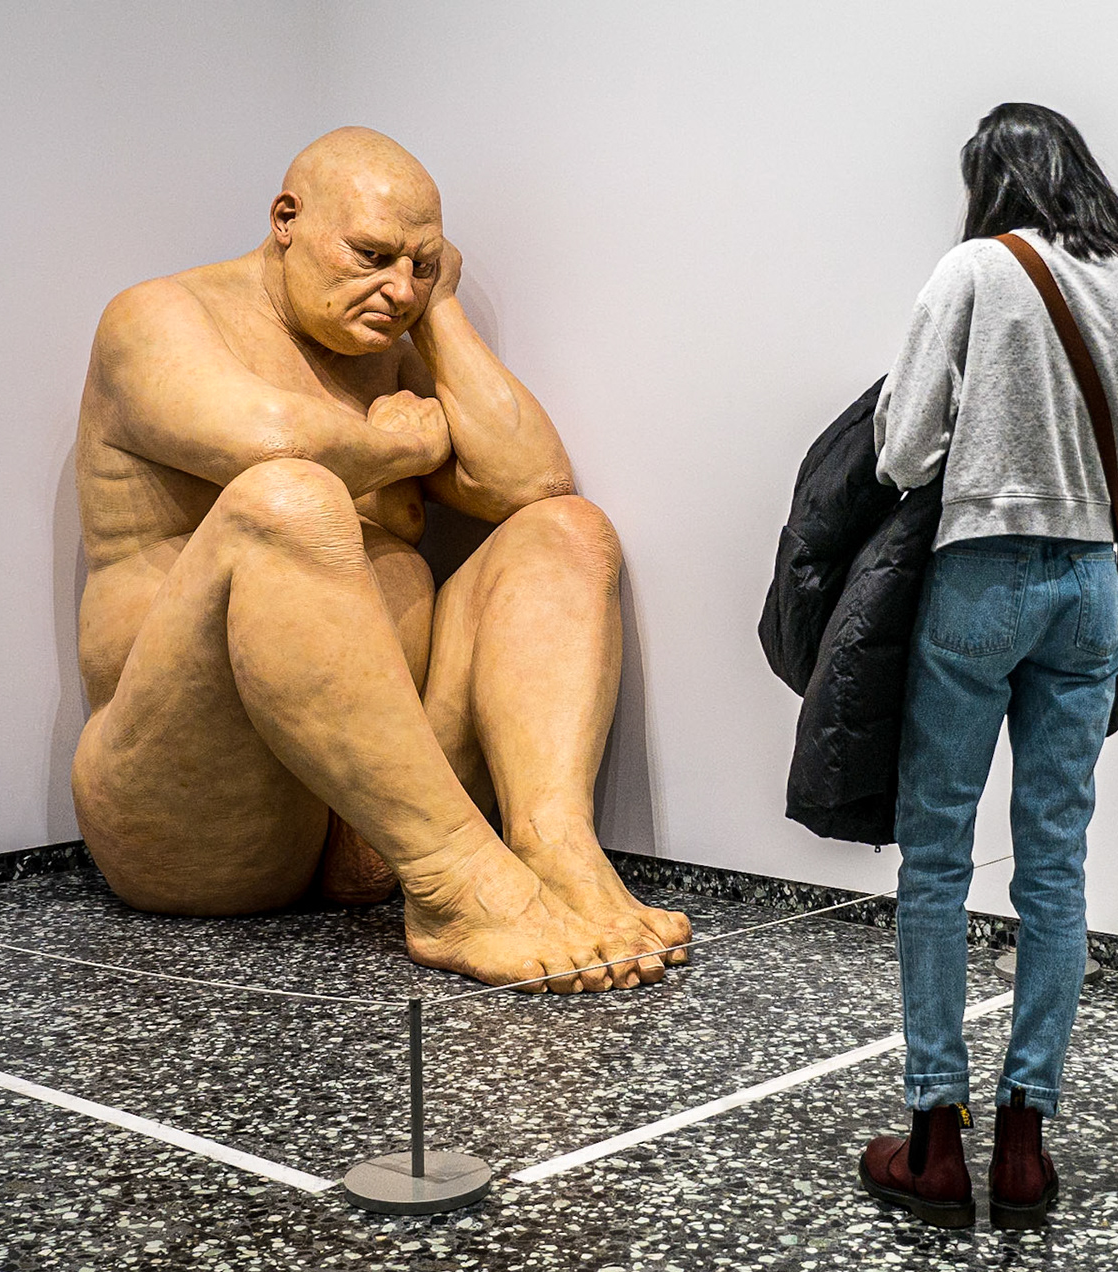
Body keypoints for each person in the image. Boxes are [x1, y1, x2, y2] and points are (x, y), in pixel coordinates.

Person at [71, 127, 690, 993]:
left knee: (567, 531)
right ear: (286, 218)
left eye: (421, 265)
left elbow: (532, 479)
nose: (396, 288)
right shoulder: (157, 318)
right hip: (198, 811)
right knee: (286, 499)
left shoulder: (391, 346)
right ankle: (455, 880)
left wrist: (437, 316)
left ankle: (555, 844)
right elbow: (270, 441)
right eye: (371, 255)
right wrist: (397, 445)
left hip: (371, 818)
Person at [858, 103, 1118, 1229]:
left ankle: (931, 1138)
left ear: (991, 180)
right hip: (1095, 586)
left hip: (981, 578)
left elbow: (904, 448)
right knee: (1055, 862)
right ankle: (1024, 1141)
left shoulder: (971, 270)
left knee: (939, 861)